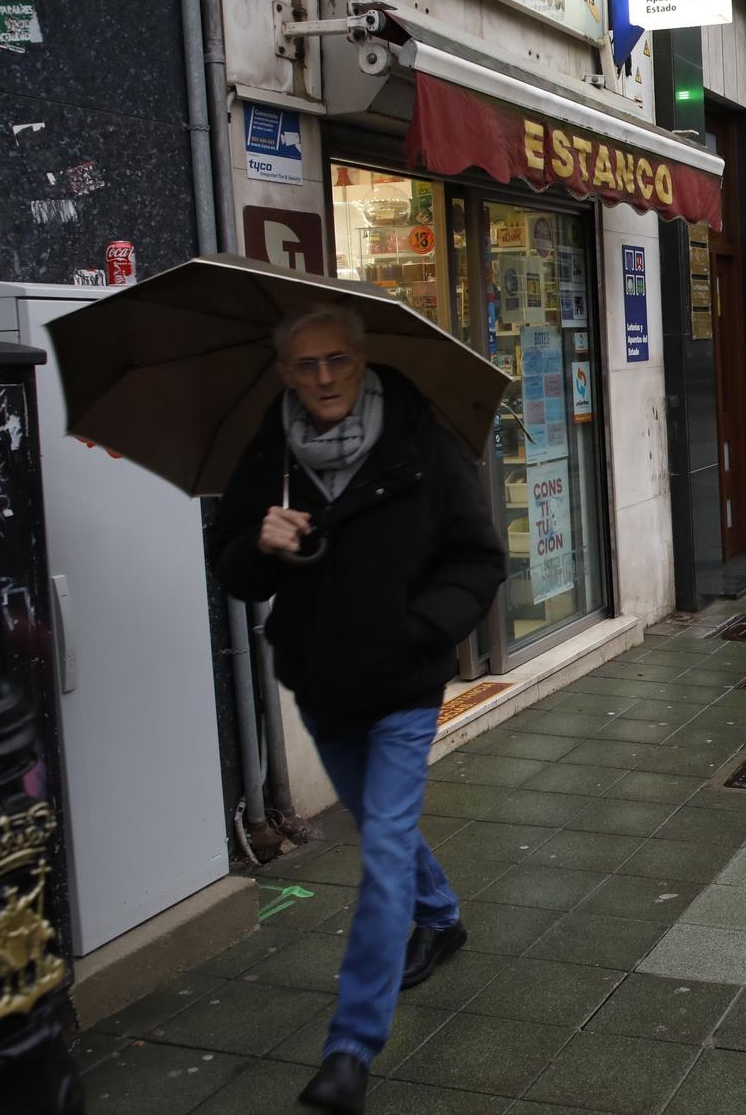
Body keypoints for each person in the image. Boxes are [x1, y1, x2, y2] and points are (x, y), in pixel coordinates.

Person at [212, 305, 506, 1115]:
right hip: (320, 682)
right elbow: (236, 573)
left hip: (405, 685)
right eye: (304, 365)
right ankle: (441, 917)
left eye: (337, 359)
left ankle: (350, 1049)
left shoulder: (421, 439)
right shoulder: (269, 453)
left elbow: (479, 557)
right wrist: (259, 545)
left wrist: (424, 629)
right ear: (283, 373)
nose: (324, 378)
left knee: (378, 849)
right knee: (386, 822)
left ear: (363, 358)